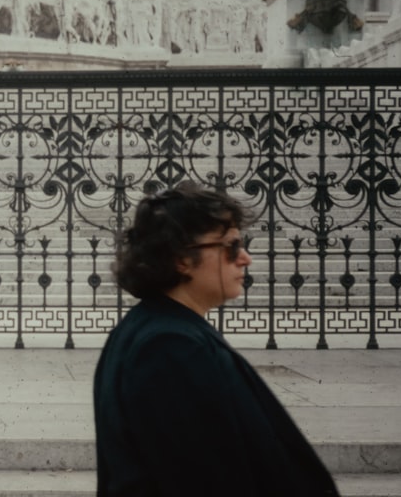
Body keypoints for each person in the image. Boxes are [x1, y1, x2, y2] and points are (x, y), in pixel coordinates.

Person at [93, 182, 338, 496]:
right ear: (181, 258)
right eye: (231, 246)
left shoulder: (158, 330)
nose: (245, 258)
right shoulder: (169, 348)